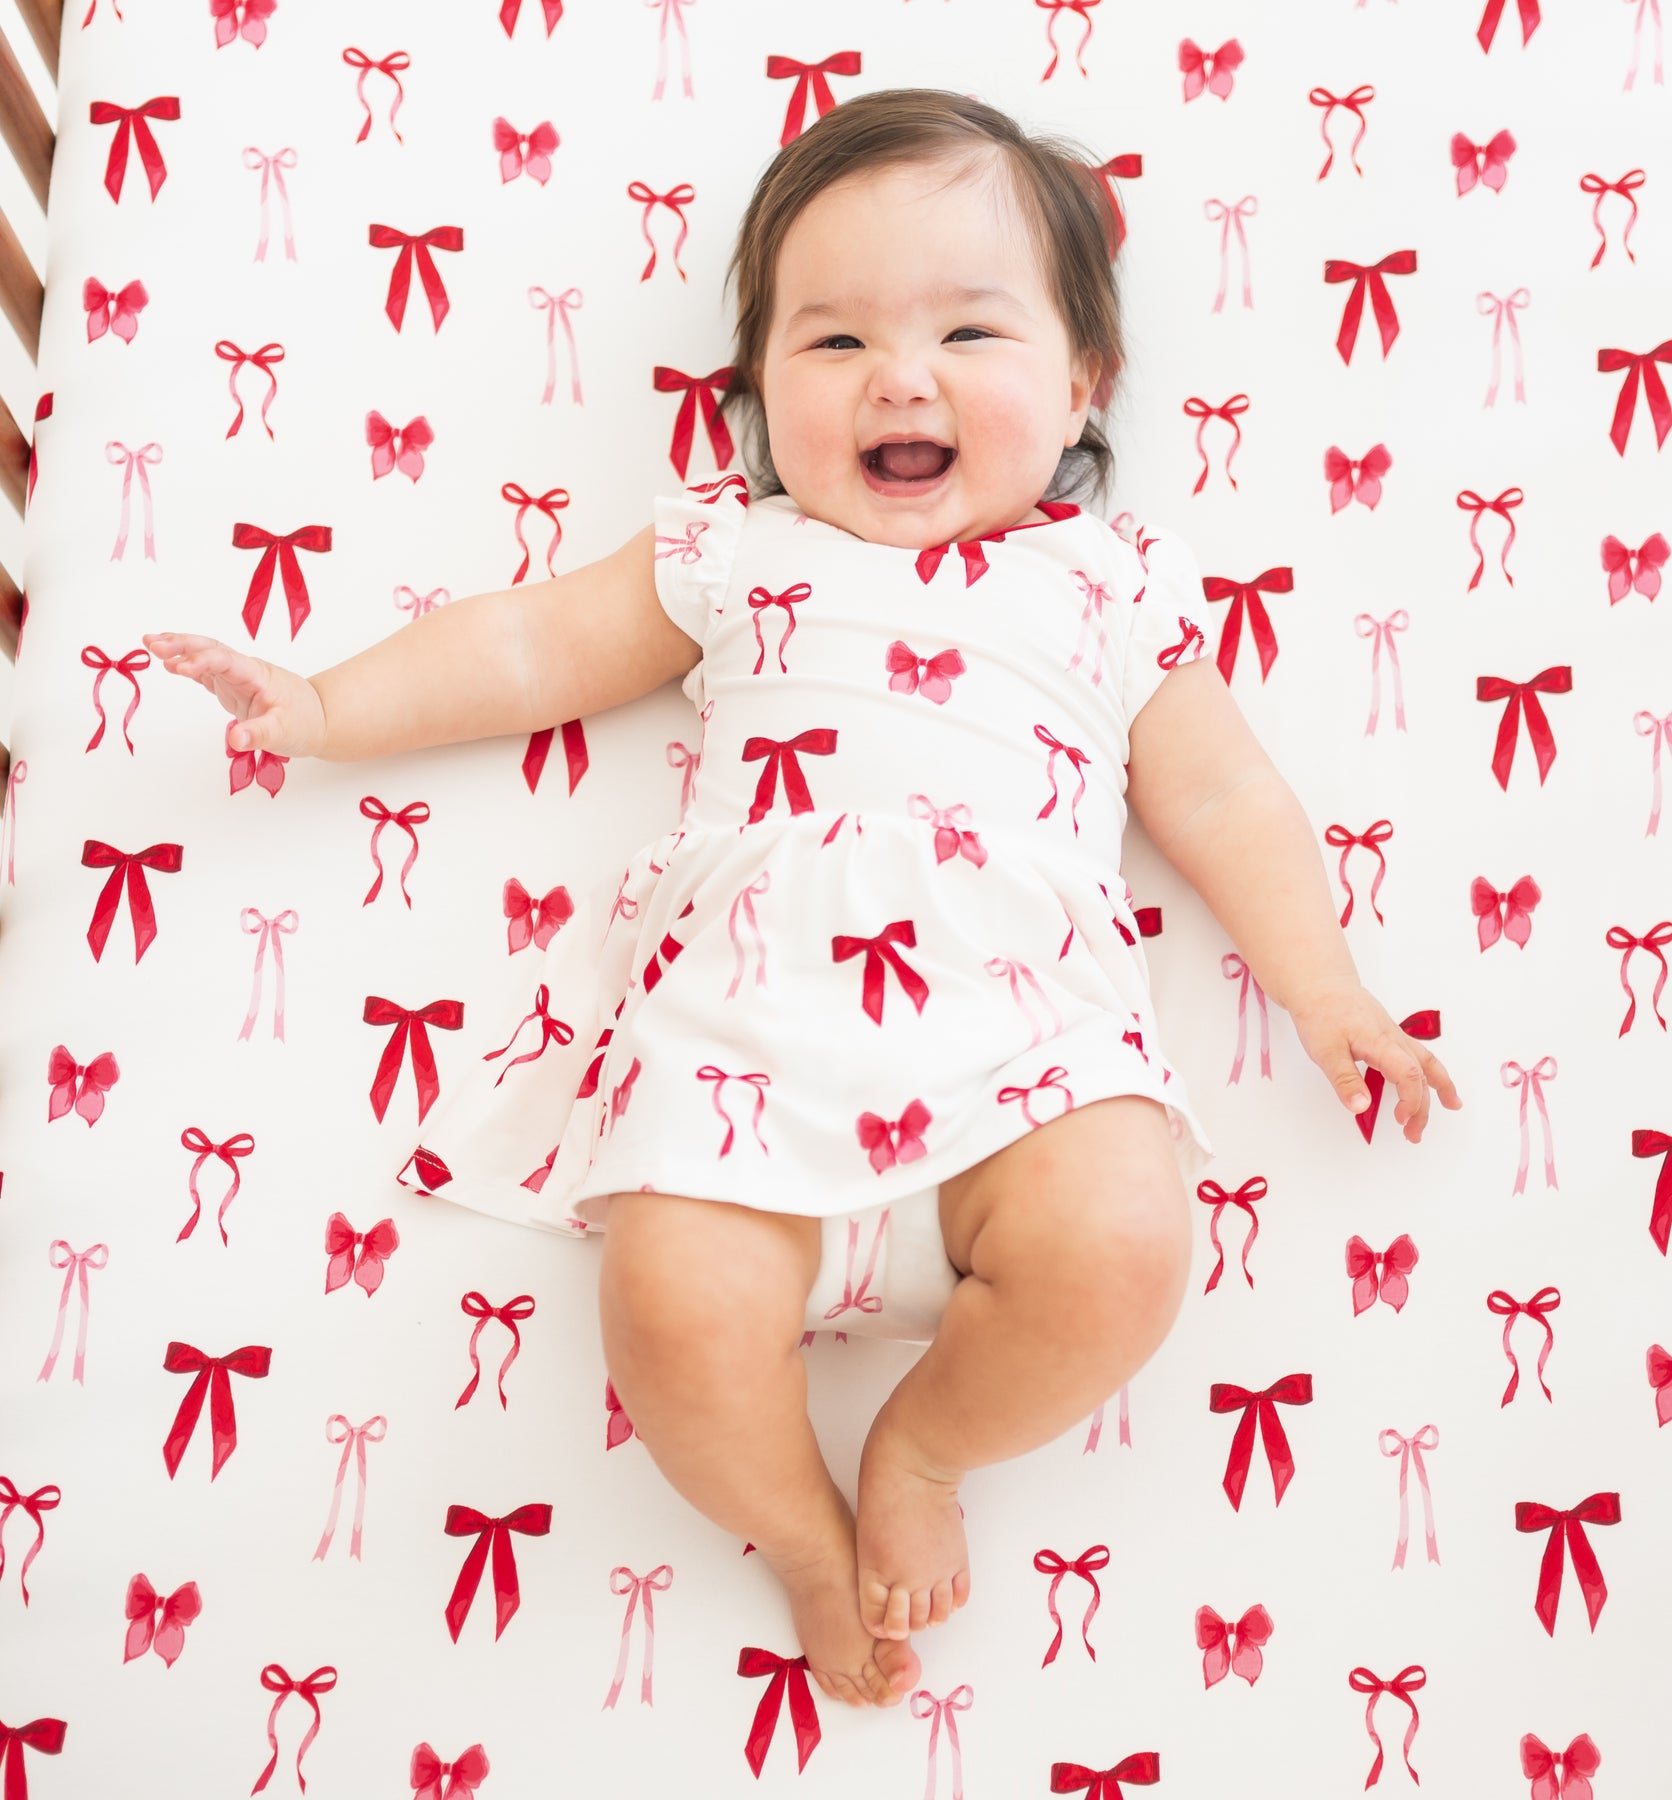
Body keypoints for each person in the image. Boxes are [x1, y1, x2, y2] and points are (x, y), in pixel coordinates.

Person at [143, 88, 1459, 1713]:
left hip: (1020, 1057)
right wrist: (328, 704)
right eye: (832, 345)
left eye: (971, 330)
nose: (900, 377)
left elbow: (1228, 801)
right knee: (670, 1312)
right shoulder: (737, 551)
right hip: (742, 1048)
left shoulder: (1112, 586)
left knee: (1124, 1244)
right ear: (759, 394)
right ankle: (798, 1531)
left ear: (1082, 381)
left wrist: (1331, 992)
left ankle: (925, 1445)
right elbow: (526, 648)